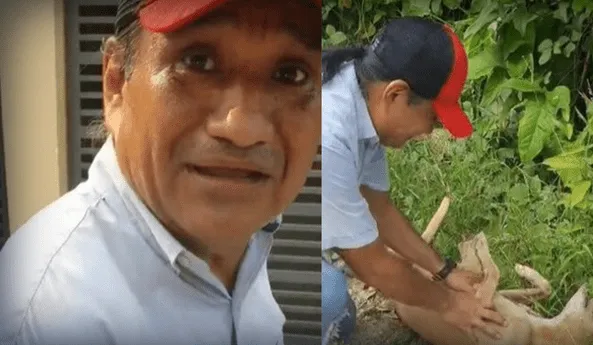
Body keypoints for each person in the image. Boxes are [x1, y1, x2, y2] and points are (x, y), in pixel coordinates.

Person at [0, 0, 320, 344]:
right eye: (198, 62)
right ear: (116, 84)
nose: (243, 128)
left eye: (290, 74)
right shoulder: (49, 312)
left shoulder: (245, 229)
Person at [321, 17, 507, 344]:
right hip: (217, 246)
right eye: (432, 120)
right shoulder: (328, 134)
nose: (427, 133)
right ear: (396, 94)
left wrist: (445, 271)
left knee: (339, 314)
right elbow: (370, 262)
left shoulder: (361, 99)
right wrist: (449, 305)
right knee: (328, 303)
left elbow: (379, 209)